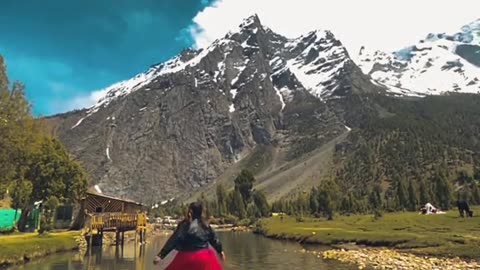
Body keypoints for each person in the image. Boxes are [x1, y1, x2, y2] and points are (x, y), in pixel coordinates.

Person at [153, 202, 226, 270]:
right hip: (205, 257)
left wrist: (161, 255)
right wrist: (220, 251)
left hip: (186, 257)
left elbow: (174, 239)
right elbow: (214, 239)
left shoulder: (184, 224)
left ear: (190, 211)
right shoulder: (206, 225)